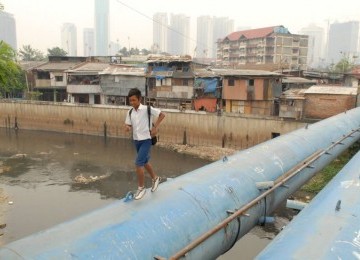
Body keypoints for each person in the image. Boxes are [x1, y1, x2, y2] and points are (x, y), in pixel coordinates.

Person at [124, 88, 165, 200]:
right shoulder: (130, 112)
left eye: (134, 100)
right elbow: (129, 124)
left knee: (138, 163)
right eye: (130, 101)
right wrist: (128, 127)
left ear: (139, 99)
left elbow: (162, 115)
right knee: (145, 162)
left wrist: (155, 127)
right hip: (136, 140)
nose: (132, 103)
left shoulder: (147, 109)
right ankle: (155, 178)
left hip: (146, 140)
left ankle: (141, 188)